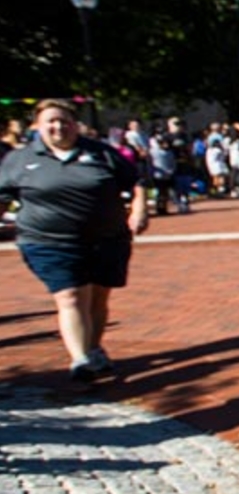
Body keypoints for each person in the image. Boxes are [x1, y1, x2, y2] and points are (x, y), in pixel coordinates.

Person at [0, 98, 147, 381]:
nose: (58, 127)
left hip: (107, 239)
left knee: (98, 297)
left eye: (64, 120)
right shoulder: (20, 160)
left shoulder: (102, 153)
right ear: (37, 126)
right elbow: (3, 198)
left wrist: (139, 211)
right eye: (50, 121)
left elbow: (136, 182)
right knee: (70, 295)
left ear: (75, 124)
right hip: (48, 241)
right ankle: (80, 361)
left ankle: (93, 348)